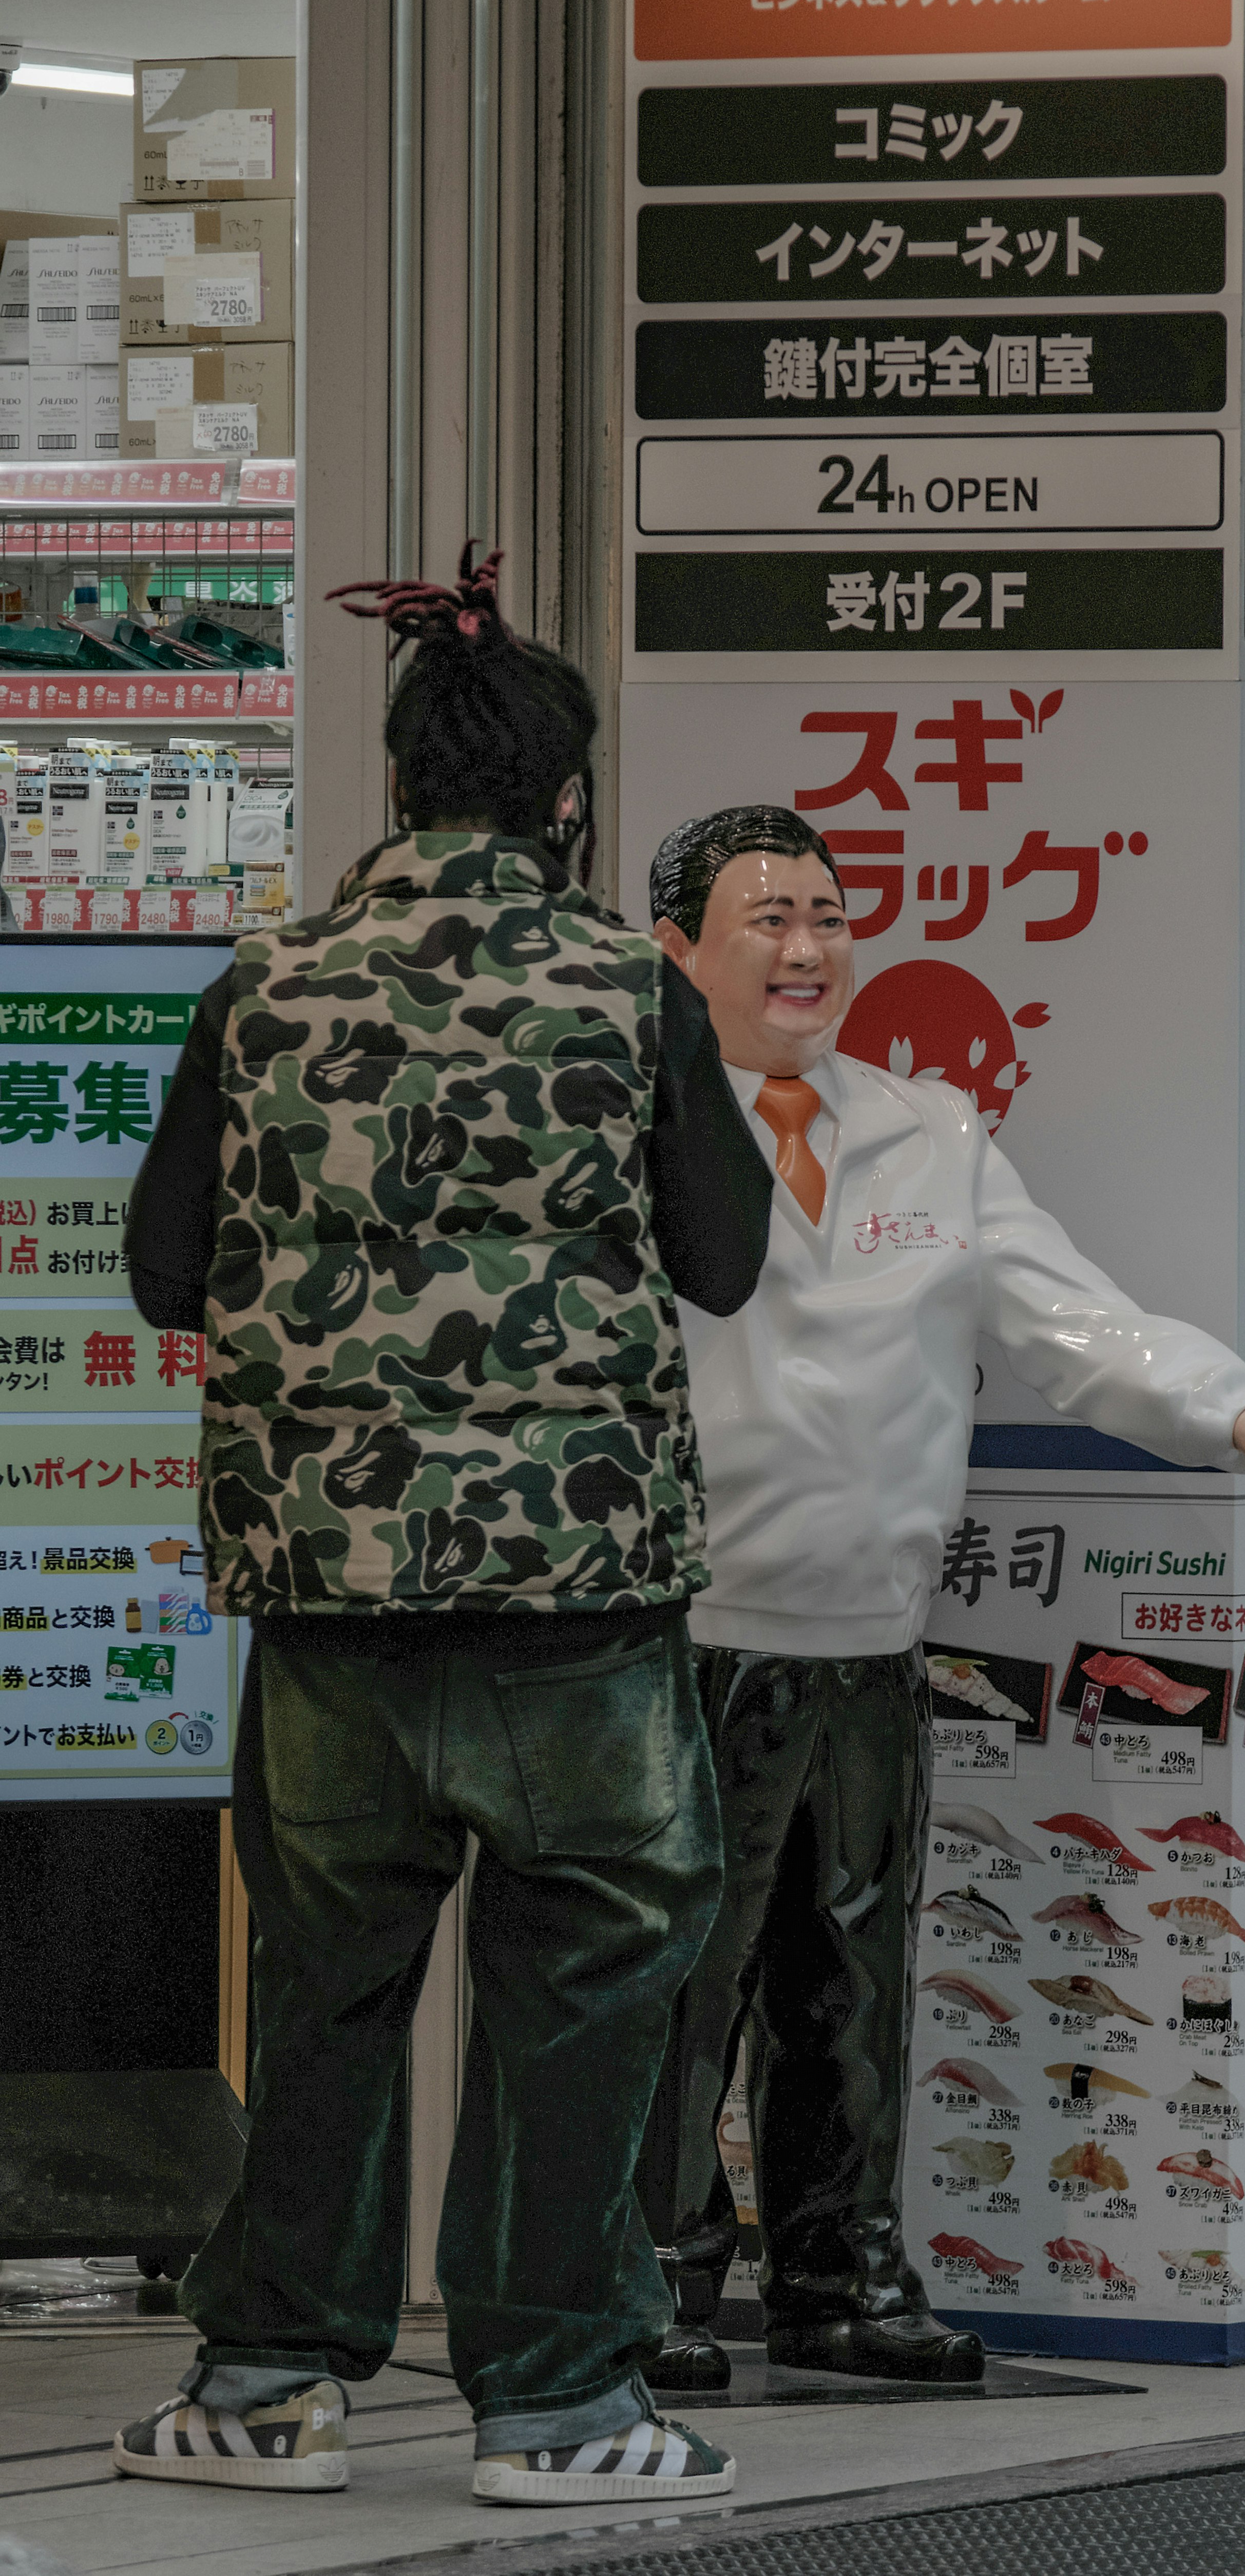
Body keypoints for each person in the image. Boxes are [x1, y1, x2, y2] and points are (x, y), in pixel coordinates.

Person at [109, 553, 771, 2509]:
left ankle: (266, 2379)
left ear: (396, 786)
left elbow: (162, 1272)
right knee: (582, 1970)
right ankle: (560, 2402)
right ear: (568, 804)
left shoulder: (268, 983)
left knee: (325, 1976)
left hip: (328, 1596)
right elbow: (726, 1262)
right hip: (575, 1598)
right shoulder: (623, 994)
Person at [634, 804, 1245, 2390]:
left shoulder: (934, 1132)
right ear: (677, 949)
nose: (806, 946)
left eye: (829, 912)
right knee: (673, 1988)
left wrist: (1242, 1409)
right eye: (765, 916)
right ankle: (656, 2282)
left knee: (849, 1985)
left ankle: (839, 2270)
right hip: (685, 1637)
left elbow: (1078, 1329)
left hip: (869, 1638)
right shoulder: (633, 1128)